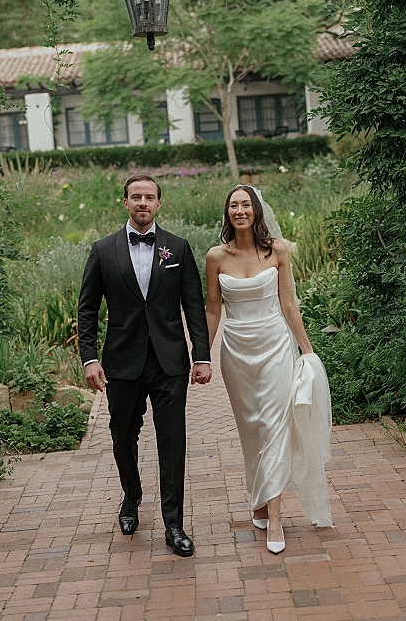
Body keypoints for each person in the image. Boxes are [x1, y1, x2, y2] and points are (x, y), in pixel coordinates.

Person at [78, 174, 212, 557]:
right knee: (122, 435)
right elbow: (87, 309)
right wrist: (89, 358)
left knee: (172, 443)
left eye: (149, 197)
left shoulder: (178, 248)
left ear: (158, 203)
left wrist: (200, 355)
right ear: (125, 203)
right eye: (135, 197)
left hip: (170, 362)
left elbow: (193, 307)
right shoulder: (103, 250)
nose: (142, 203)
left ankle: (174, 525)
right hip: (122, 362)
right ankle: (130, 496)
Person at [205, 185, 333, 554]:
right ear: (227, 212)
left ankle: (275, 518)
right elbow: (213, 309)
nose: (240, 211)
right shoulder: (216, 256)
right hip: (236, 352)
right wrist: (200, 356)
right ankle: (259, 498)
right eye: (234, 205)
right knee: (252, 430)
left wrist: (306, 349)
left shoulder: (276, 250)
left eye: (246, 205)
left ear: (257, 211)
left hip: (276, 346)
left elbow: (288, 303)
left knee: (274, 426)